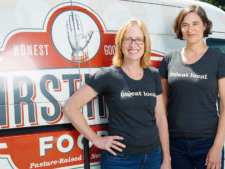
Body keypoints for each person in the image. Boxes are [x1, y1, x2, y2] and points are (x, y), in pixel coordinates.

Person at [63, 19, 171, 169]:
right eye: (128, 39)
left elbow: (160, 118)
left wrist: (167, 158)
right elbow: (70, 107)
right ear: (120, 43)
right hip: (120, 160)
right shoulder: (107, 75)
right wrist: (96, 140)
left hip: (153, 157)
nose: (133, 45)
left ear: (145, 44)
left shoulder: (153, 74)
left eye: (139, 40)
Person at [159, 5, 225, 169]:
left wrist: (217, 147)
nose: (190, 29)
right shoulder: (169, 59)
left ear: (205, 26)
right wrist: (166, 151)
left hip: (207, 142)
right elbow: (161, 108)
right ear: (180, 28)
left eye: (195, 23)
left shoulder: (219, 60)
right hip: (175, 143)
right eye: (185, 24)